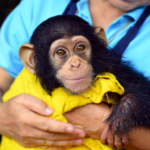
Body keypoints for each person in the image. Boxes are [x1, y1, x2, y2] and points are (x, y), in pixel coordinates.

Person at [0, 0, 150, 149]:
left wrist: (101, 124)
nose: (75, 62)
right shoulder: (41, 4)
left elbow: (140, 91)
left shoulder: (110, 66)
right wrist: (4, 118)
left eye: (80, 47)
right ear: (33, 60)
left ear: (100, 42)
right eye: (60, 52)